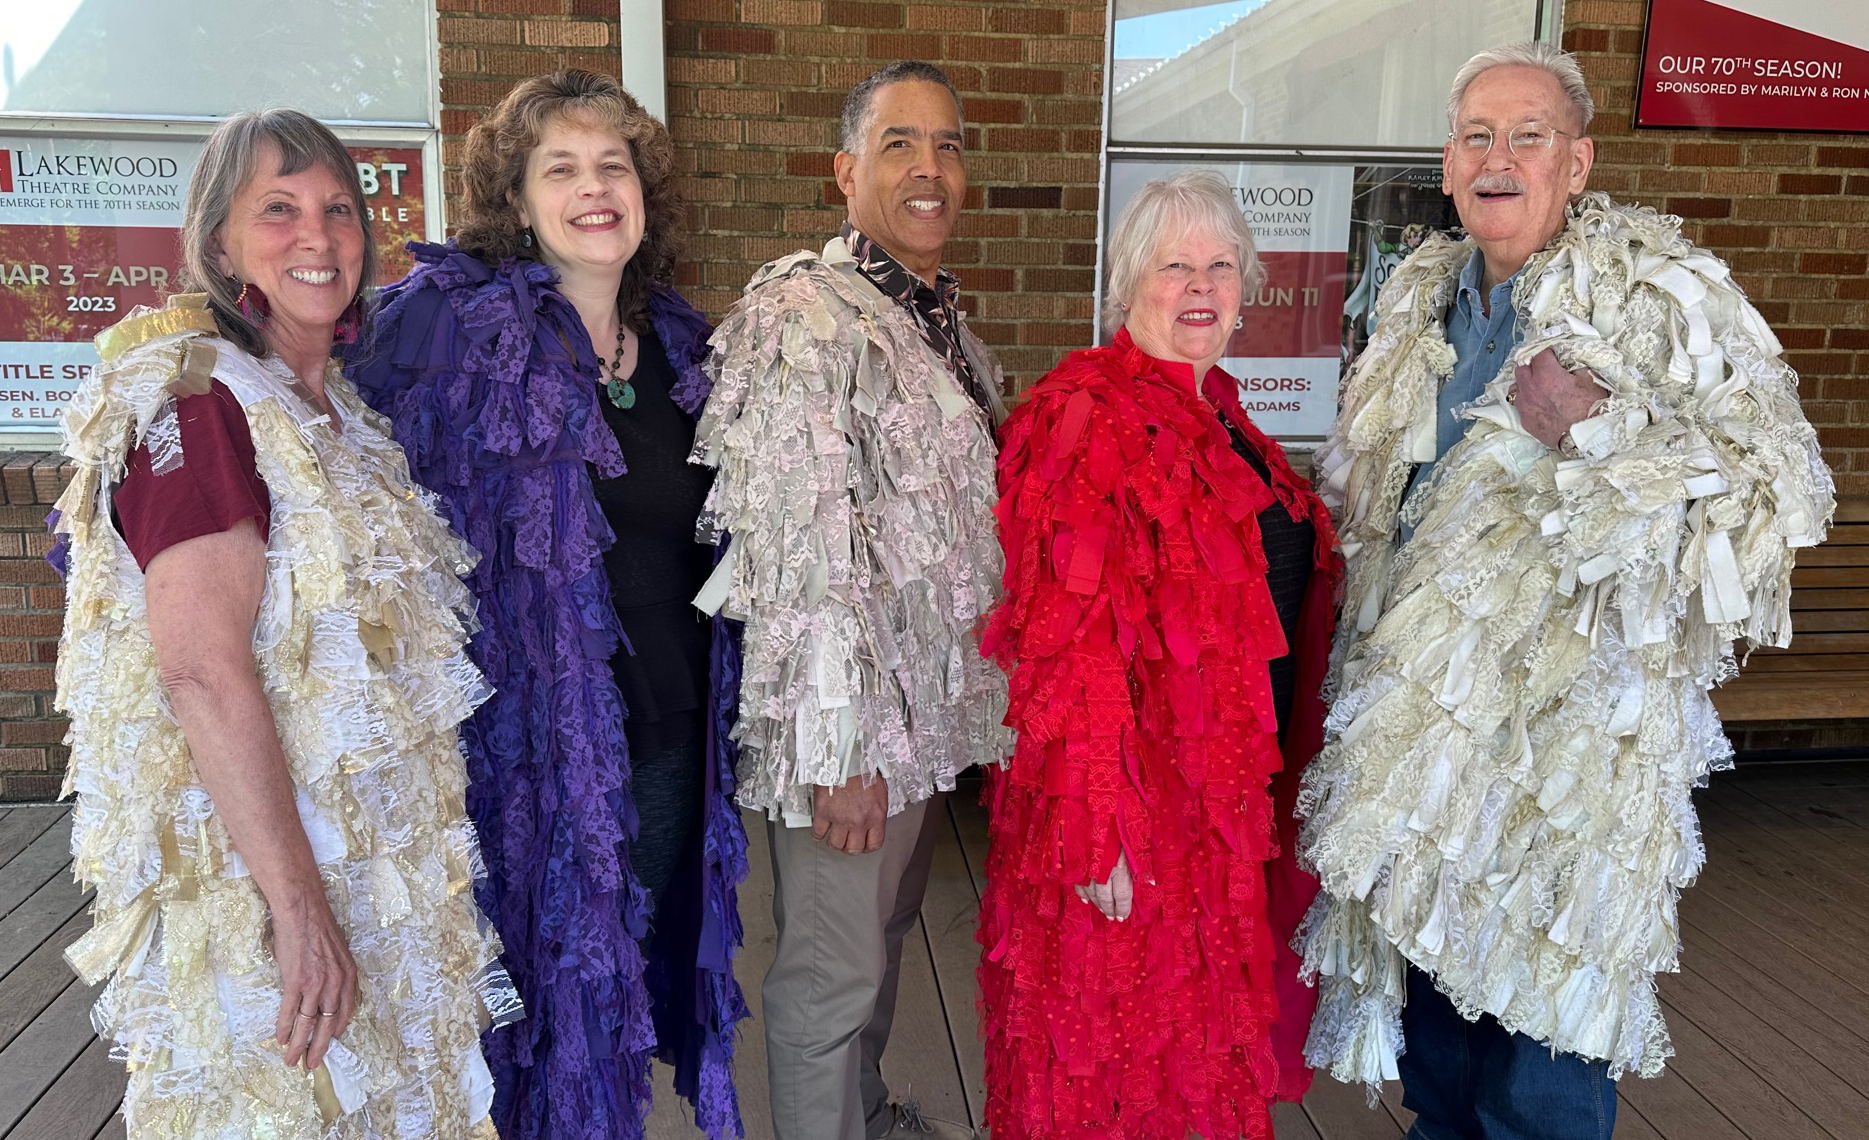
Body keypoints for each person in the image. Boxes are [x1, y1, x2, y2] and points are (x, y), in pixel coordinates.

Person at [1296, 42, 1833, 1139]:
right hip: (1432, 745)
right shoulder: (1414, 299)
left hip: (1570, 758)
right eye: (1476, 136)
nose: (1499, 158)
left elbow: (1779, 489)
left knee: (1541, 1056)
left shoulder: (1662, 291)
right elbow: (1370, 494)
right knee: (1440, 1050)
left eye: (1527, 136)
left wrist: (1600, 433)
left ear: (1577, 162)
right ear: (1447, 165)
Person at [50, 109, 517, 1140]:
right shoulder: (202, 407)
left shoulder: (339, 416)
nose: (319, 237)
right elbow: (202, 674)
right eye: (279, 209)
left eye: (339, 210)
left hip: (377, 879)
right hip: (269, 898)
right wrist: (301, 916)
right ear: (220, 243)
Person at [345, 71, 748, 1140]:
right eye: (559, 168)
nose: (594, 187)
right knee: (518, 1004)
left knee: (608, 993)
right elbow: (319, 413)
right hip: (512, 752)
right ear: (515, 202)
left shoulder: (683, 346)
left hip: (661, 735)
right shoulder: (445, 327)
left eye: (613, 164)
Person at [976, 169, 1341, 1140]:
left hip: (1219, 807)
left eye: (1220, 265)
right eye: (1175, 264)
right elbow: (1061, 643)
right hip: (1133, 809)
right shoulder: (1081, 413)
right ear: (1128, 282)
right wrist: (1098, 821)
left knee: (1188, 1055)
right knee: (1108, 1054)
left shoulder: (1223, 412)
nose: (1200, 285)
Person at [689, 60, 1008, 1140]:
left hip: (921, 721)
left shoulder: (948, 335)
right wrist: (841, 748)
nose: (931, 168)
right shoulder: (802, 317)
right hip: (844, 728)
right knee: (829, 973)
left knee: (883, 941)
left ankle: (862, 1118)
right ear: (844, 172)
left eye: (949, 145)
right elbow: (798, 545)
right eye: (900, 144)